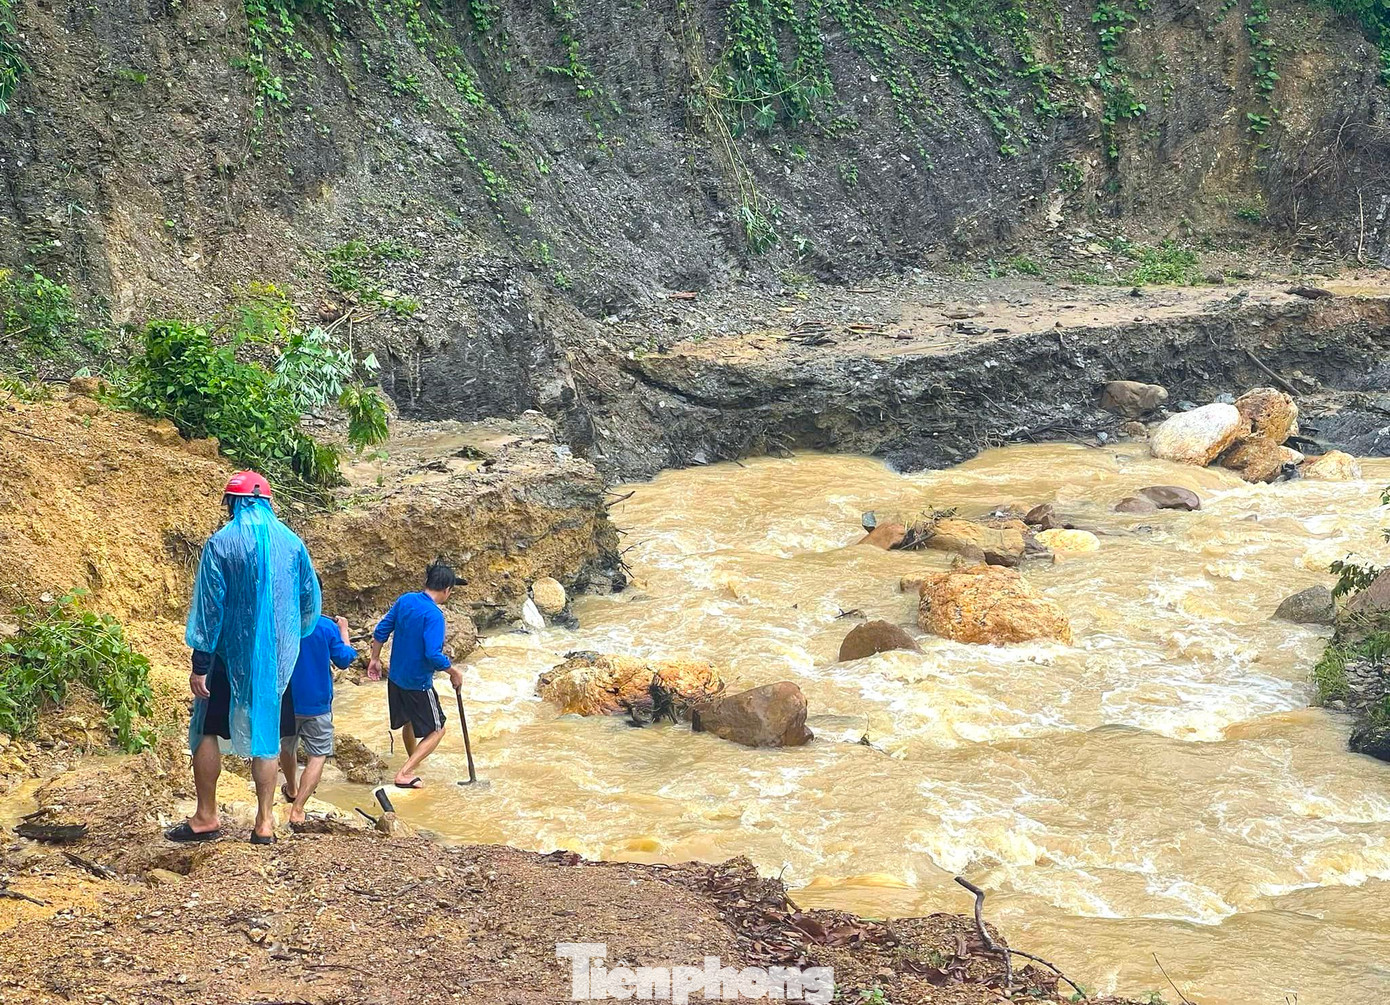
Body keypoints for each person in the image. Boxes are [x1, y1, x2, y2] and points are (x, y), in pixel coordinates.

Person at [165, 471, 321, 845]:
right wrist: (285, 643)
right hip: (275, 662)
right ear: (268, 503)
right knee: (267, 732)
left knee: (207, 730)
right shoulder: (292, 543)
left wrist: (201, 664)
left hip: (225, 657)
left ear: (232, 503)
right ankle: (265, 823)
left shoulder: (221, 543)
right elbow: (308, 601)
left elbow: (210, 609)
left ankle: (206, 816)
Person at [367, 561, 463, 789]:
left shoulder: (406, 600)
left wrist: (374, 659)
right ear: (447, 590)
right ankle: (404, 773)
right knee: (438, 729)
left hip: (396, 678)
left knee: (409, 722)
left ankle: (412, 763)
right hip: (417, 683)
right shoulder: (434, 615)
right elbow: (433, 654)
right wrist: (453, 671)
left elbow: (381, 631)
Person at [279, 608, 357, 825]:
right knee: (318, 755)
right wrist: (344, 631)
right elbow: (344, 659)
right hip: (317, 702)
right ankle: (298, 809)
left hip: (286, 699)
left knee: (287, 745)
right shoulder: (325, 626)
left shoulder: (281, 621)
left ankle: (292, 788)